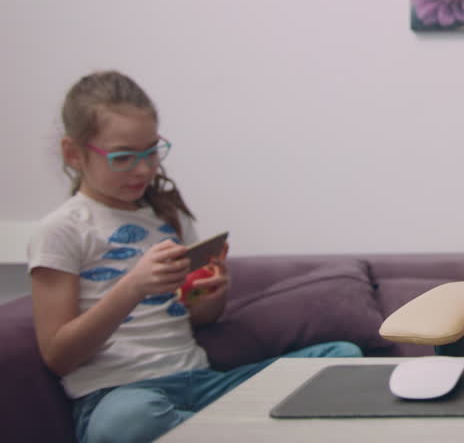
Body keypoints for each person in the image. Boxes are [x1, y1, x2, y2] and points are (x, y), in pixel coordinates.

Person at [27, 71, 361, 443]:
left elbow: (197, 317)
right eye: (123, 157)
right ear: (73, 154)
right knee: (125, 423)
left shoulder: (167, 217)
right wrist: (133, 287)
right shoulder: (63, 229)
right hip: (121, 394)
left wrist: (209, 296)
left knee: (341, 357)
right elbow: (59, 356)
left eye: (151, 151)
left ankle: (219, 430)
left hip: (201, 386)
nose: (144, 169)